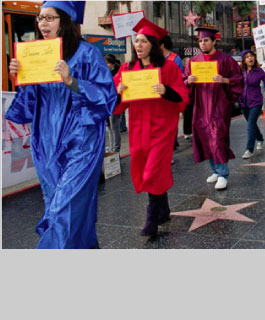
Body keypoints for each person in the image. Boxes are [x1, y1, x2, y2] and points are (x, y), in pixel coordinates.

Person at [6, 1, 115, 248]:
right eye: (40, 18)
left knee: (63, 209)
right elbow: (29, 106)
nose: (42, 23)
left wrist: (72, 81)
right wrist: (21, 78)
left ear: (64, 20)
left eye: (49, 18)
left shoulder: (87, 53)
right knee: (63, 206)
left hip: (81, 142)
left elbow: (106, 96)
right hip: (46, 143)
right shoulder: (36, 54)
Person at [111, 18, 189, 237]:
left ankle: (151, 220)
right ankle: (163, 209)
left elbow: (182, 95)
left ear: (153, 45)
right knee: (148, 170)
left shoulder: (169, 67)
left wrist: (166, 91)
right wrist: (118, 91)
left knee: (154, 169)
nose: (138, 45)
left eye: (143, 41)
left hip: (162, 129)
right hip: (138, 130)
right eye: (136, 41)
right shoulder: (127, 69)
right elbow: (116, 104)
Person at [184, 27, 243, 191]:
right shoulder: (194, 61)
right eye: (200, 41)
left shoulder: (225, 60)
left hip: (219, 106)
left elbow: (238, 79)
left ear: (214, 41)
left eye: (206, 40)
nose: (202, 44)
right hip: (201, 106)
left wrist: (224, 80)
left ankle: (223, 174)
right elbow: (183, 82)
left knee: (218, 138)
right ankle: (216, 170)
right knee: (205, 139)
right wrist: (188, 80)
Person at [238, 50, 265, 159]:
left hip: (256, 101)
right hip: (243, 102)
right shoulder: (240, 71)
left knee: (250, 124)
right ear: (244, 60)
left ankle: (249, 149)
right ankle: (260, 138)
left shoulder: (259, 71)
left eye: (251, 56)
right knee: (251, 124)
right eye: (247, 57)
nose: (250, 58)